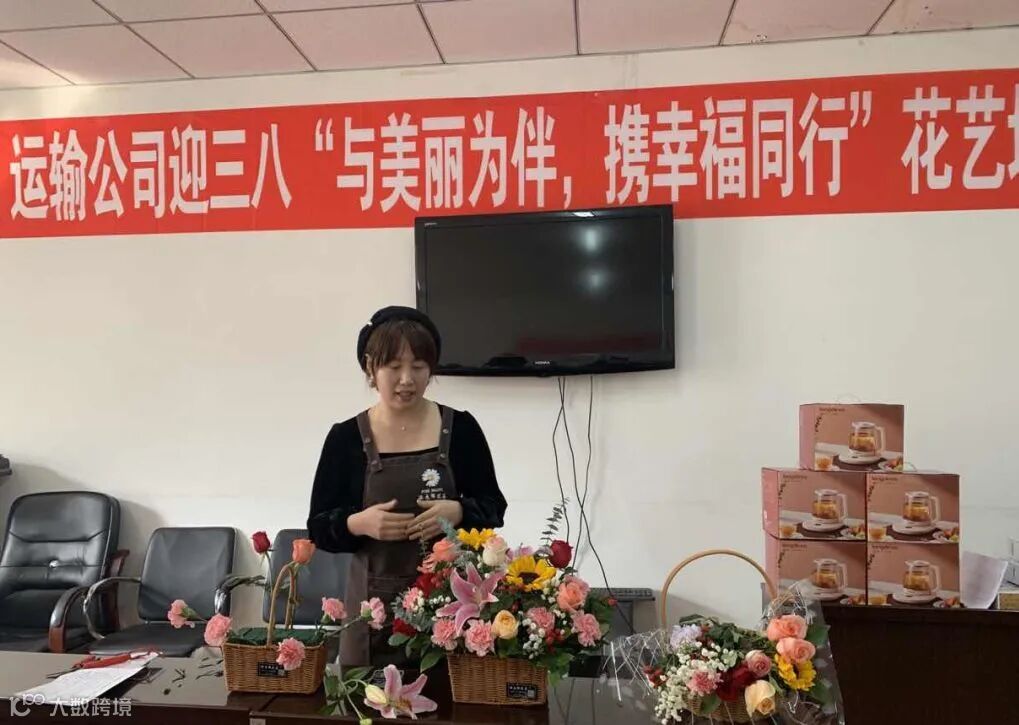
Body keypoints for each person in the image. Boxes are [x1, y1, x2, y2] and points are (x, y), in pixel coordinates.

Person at [307, 306, 508, 666]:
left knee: (451, 695)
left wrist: (458, 511)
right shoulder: (345, 438)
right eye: (393, 366)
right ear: (370, 368)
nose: (406, 379)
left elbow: (494, 506)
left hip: (450, 606)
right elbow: (319, 527)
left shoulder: (461, 429)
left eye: (418, 366)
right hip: (371, 609)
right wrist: (358, 523)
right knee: (369, 697)